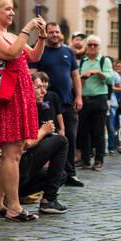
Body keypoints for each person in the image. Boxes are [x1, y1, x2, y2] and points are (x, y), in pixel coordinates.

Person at [0, 0, 46, 221]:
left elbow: (34, 56)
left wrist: (42, 37)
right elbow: (11, 53)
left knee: (15, 151)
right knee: (11, 154)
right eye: (7, 9)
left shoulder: (10, 35)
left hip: (20, 94)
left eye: (12, 9)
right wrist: (27, 29)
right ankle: (14, 207)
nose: (12, 13)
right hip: (7, 96)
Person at [31, 22, 83, 187]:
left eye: (57, 32)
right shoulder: (39, 50)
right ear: (46, 34)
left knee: (71, 138)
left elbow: (75, 76)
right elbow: (32, 75)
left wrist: (79, 96)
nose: (54, 34)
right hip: (46, 103)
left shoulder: (68, 51)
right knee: (48, 139)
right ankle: (50, 172)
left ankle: (70, 173)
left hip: (67, 102)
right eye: (51, 32)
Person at [17, 71, 70, 214]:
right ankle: (48, 200)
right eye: (39, 87)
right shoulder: (22, 109)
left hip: (22, 169)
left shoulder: (34, 108)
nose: (44, 91)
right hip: (15, 169)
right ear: (27, 89)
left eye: (44, 86)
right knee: (61, 141)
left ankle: (26, 196)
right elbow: (26, 143)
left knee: (62, 175)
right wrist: (44, 131)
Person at [78, 37, 117, 170]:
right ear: (86, 47)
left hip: (99, 98)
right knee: (83, 131)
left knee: (98, 131)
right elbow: (76, 77)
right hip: (84, 98)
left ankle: (99, 159)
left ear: (99, 47)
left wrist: (96, 72)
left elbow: (110, 79)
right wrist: (81, 76)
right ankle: (85, 159)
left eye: (95, 45)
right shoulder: (83, 61)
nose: (92, 47)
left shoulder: (104, 60)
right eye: (90, 45)